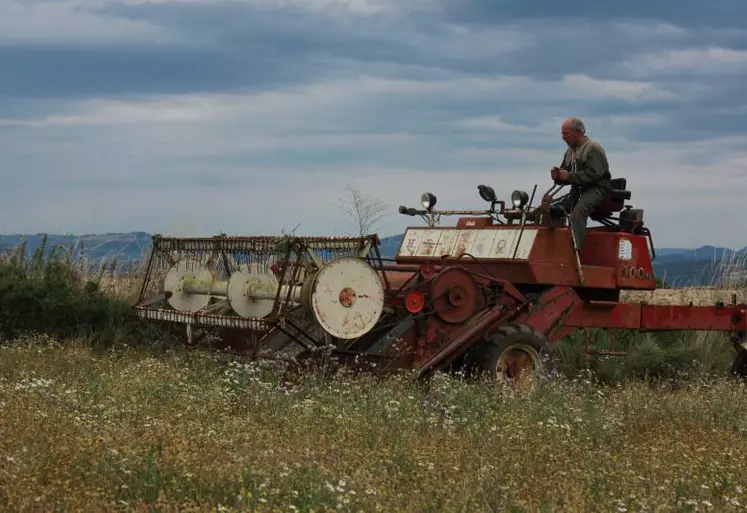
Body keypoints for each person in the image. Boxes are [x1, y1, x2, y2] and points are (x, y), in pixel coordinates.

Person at [550, 117, 611, 249]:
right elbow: (566, 175)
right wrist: (558, 176)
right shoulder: (570, 152)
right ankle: (553, 247)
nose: (563, 137)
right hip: (577, 190)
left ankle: (574, 250)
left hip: (597, 189)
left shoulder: (593, 148)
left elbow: (595, 174)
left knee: (577, 214)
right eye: (562, 133)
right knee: (550, 208)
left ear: (577, 132)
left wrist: (569, 176)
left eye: (565, 133)